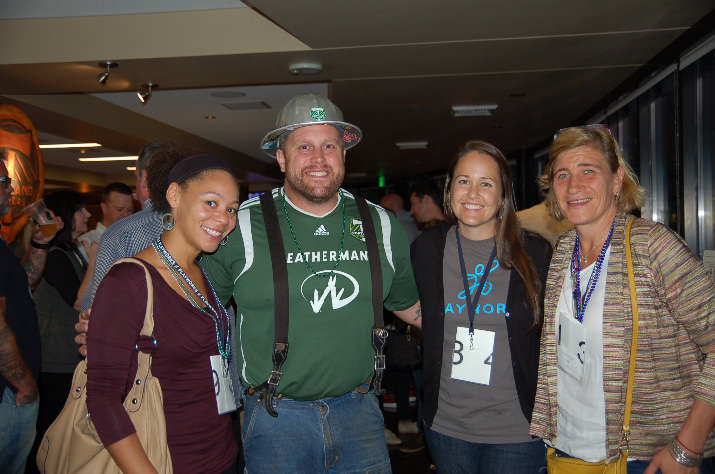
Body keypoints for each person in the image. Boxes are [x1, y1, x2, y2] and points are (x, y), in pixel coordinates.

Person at [200, 93, 422, 473]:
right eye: (304, 146)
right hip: (275, 420)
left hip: (362, 416)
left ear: (344, 154)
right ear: (282, 157)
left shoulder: (381, 224)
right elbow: (197, 313)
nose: (319, 159)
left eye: (329, 146)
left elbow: (409, 306)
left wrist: (481, 322)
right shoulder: (240, 227)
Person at [530, 125, 715, 473]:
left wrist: (688, 445)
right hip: (568, 451)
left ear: (616, 181)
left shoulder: (653, 247)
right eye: (562, 175)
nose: (573, 186)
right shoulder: (563, 252)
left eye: (589, 171)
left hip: (644, 455)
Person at [86, 154, 240, 473]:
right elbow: (102, 399)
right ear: (174, 196)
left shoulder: (199, 273)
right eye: (211, 203)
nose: (223, 218)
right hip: (167, 459)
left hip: (221, 454)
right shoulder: (129, 280)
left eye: (231, 209)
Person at [411, 140, 552, 473]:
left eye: (486, 184)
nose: (472, 193)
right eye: (464, 181)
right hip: (446, 428)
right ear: (449, 190)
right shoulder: (427, 249)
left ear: (503, 195)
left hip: (517, 432)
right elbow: (412, 308)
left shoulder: (535, 253)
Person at [0, 155, 59, 474]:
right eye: (3, 182)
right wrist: (24, 385)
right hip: (7, 392)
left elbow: (23, 287)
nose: (10, 190)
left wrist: (39, 244)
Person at [80, 141, 182, 311]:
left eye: (136, 178)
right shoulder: (202, 228)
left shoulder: (121, 233)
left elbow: (96, 304)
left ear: (145, 178)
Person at [33, 190, 93, 455]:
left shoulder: (70, 252)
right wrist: (96, 261)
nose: (87, 215)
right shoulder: (56, 255)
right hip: (56, 360)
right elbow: (79, 301)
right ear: (67, 215)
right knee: (52, 438)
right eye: (80, 210)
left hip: (68, 356)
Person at [77, 182, 133, 262]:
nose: (126, 214)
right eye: (120, 209)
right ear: (104, 208)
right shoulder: (86, 242)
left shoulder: (135, 239)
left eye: (130, 210)